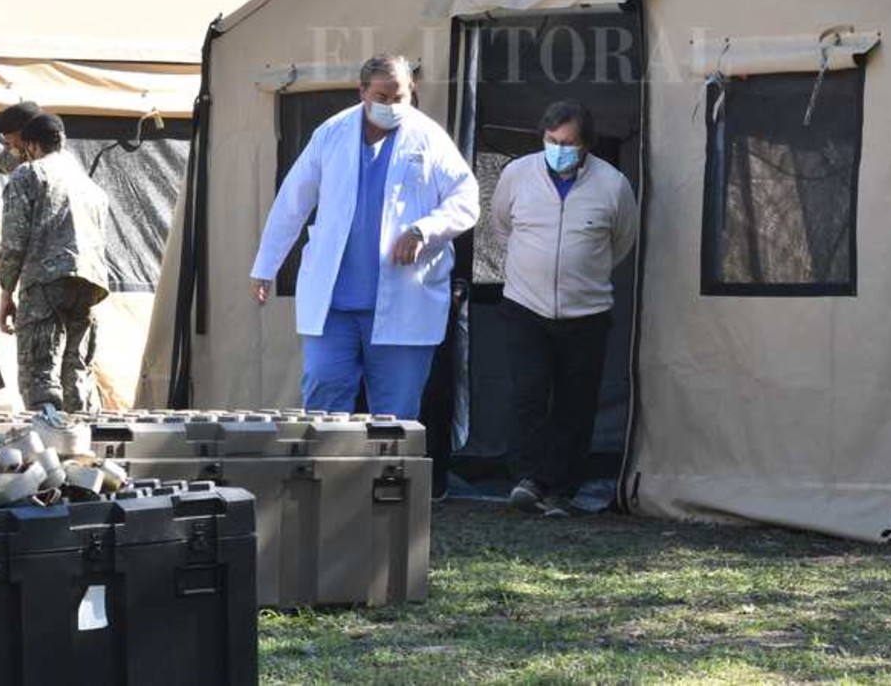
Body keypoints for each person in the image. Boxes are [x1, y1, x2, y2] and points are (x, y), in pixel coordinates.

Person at [250, 54, 479, 420]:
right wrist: (266, 266)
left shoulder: (429, 138)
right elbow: (292, 201)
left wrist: (425, 230)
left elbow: (466, 200)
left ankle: (388, 478)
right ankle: (326, 477)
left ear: (412, 92)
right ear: (362, 92)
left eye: (399, 97)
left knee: (396, 417)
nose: (390, 105)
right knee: (323, 400)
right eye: (381, 97)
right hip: (335, 306)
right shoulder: (331, 134)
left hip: (404, 301)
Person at [490, 101, 638, 517]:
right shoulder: (516, 174)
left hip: (586, 313)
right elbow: (501, 227)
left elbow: (621, 240)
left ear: (587, 144)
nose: (559, 149)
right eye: (551, 141)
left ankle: (562, 488)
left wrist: (579, 272)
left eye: (568, 143)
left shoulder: (613, 185)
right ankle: (526, 480)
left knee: (576, 403)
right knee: (529, 394)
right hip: (524, 306)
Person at [0, 112, 111, 412]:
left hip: (44, 284)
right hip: (90, 286)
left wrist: (6, 293)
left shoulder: (29, 174)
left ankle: (46, 447)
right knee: (77, 374)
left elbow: (13, 241)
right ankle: (80, 448)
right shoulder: (92, 188)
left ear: (31, 146)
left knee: (39, 375)